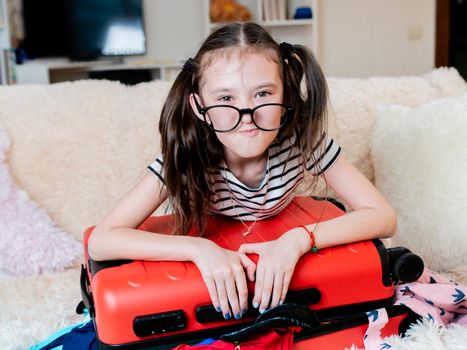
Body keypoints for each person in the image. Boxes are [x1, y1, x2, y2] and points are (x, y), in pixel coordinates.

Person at [88, 22, 397, 322]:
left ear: (285, 96)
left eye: (262, 94)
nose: (246, 115)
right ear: (199, 107)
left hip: (281, 230)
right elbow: (102, 239)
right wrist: (198, 249)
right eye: (225, 98)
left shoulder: (304, 140)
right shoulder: (186, 155)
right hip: (210, 234)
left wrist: (298, 240)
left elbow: (382, 216)